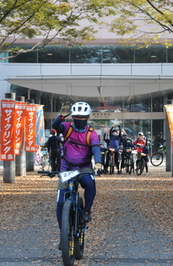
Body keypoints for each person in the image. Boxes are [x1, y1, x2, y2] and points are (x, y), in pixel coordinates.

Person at [52, 102, 102, 246]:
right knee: (60, 202)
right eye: (77, 117)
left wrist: (98, 162)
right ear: (73, 117)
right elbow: (56, 126)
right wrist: (61, 115)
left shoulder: (91, 134)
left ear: (87, 118)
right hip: (66, 168)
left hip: (84, 168)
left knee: (90, 184)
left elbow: (96, 149)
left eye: (83, 117)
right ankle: (63, 235)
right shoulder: (67, 128)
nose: (80, 119)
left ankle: (86, 210)